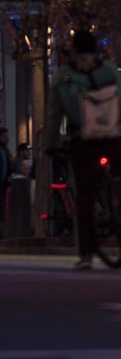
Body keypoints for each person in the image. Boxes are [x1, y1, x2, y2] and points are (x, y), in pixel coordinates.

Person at [44, 29, 121, 270]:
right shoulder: (110, 71)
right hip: (113, 137)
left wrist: (50, 145)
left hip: (83, 140)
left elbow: (54, 115)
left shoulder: (64, 77)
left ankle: (87, 254)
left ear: (74, 50)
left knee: (85, 196)